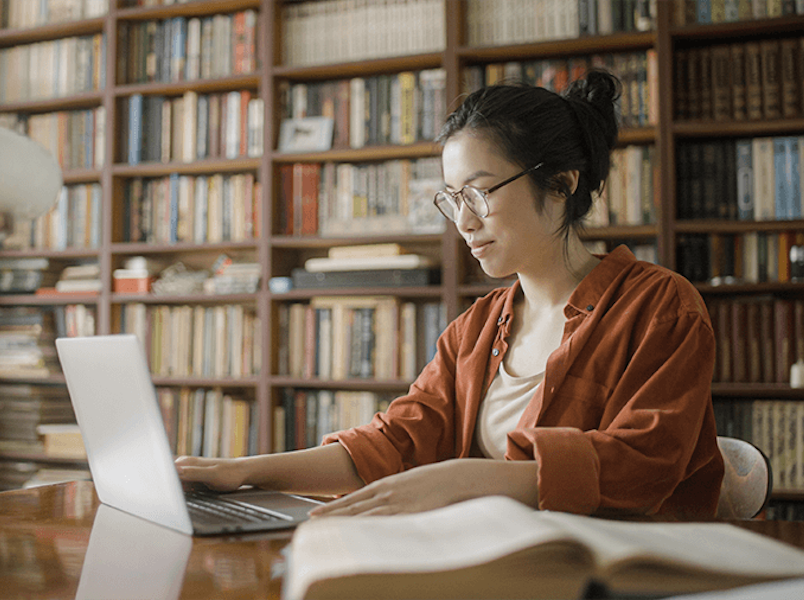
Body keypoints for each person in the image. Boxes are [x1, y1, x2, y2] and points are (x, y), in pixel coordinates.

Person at [176, 70, 724, 519]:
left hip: (622, 571)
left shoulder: (660, 307)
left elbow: (642, 464)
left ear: (561, 183)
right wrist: (241, 472)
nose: (462, 220)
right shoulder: (476, 329)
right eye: (452, 197)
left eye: (480, 193)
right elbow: (392, 443)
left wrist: (463, 480)